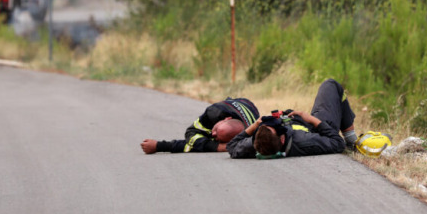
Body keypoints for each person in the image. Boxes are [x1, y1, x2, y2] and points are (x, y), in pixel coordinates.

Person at [227, 78, 357, 159]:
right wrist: (311, 119)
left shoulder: (258, 144)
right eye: (275, 126)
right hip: (318, 128)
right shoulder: (305, 141)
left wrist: (255, 125)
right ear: (282, 139)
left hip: (298, 123)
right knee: (331, 85)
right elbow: (338, 143)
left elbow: (231, 146)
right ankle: (353, 141)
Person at [141, 97, 259, 154]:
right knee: (200, 141)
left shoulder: (253, 132)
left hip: (249, 106)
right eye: (216, 130)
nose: (213, 134)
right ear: (225, 119)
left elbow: (194, 145)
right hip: (237, 102)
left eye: (218, 138)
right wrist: (219, 146)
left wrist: (160, 146)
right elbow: (190, 134)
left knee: (201, 143)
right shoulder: (213, 113)